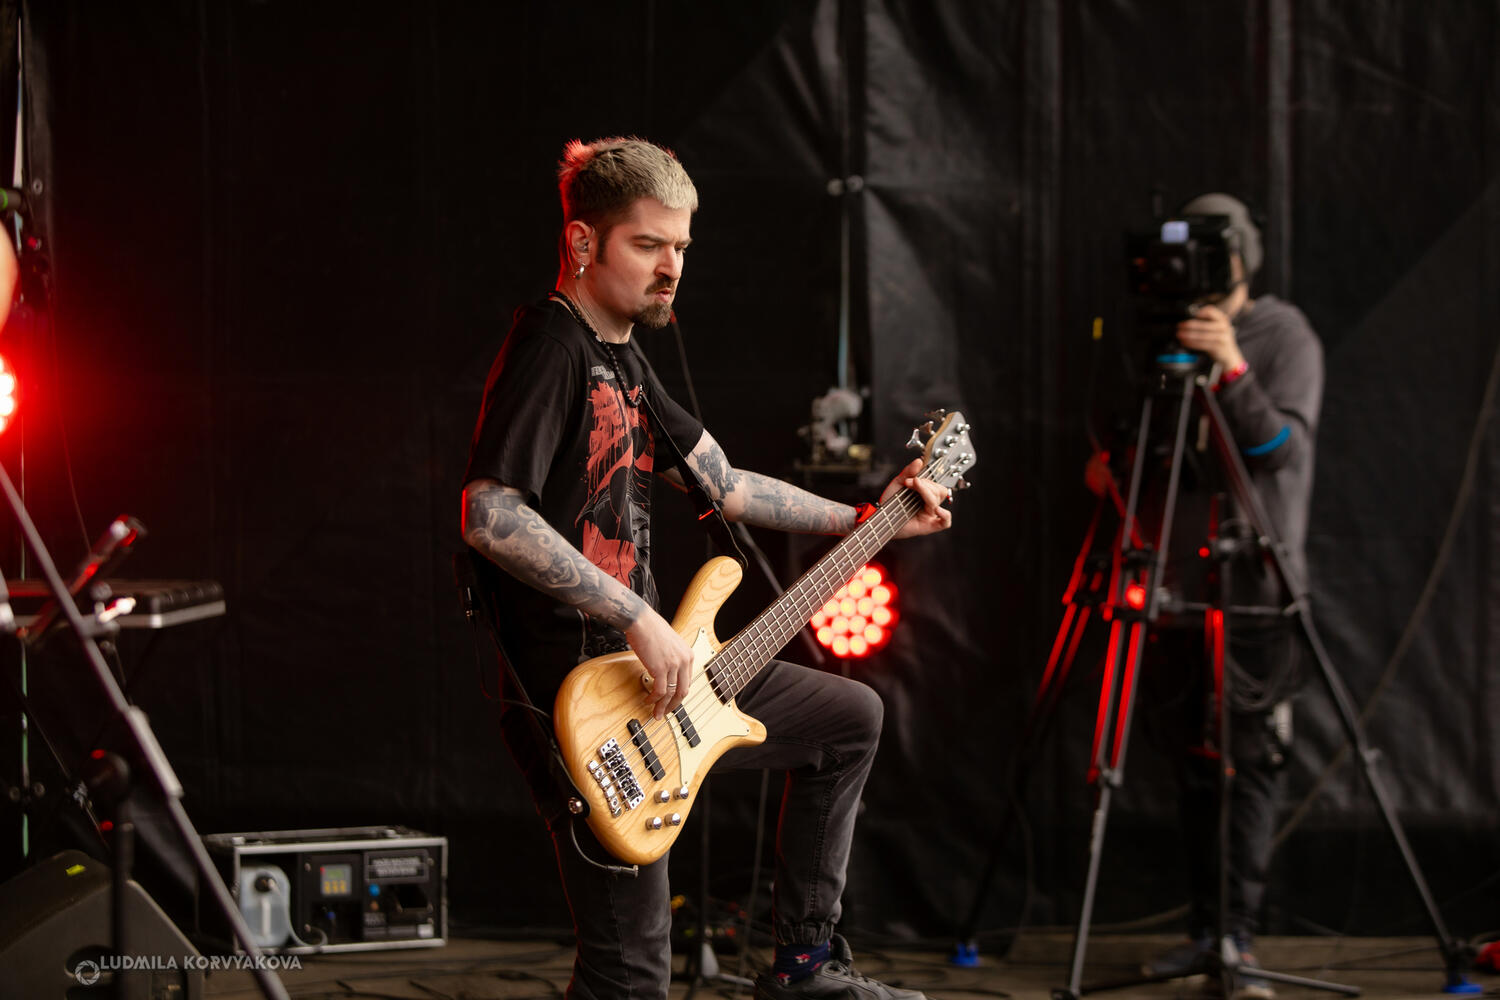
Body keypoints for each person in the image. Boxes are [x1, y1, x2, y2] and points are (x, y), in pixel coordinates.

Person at [461, 136, 951, 1000]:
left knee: (849, 720)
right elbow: (489, 514)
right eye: (649, 244)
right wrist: (636, 617)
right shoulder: (552, 346)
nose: (672, 269)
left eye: (682, 247)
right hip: (583, 699)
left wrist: (871, 519)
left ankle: (804, 968)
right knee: (630, 978)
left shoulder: (624, 358)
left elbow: (725, 485)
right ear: (583, 243)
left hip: (664, 675)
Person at [1135, 193, 1324, 998]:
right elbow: (1148, 450)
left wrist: (1233, 366)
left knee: (1249, 764)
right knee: (1190, 765)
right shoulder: (1165, 335)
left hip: (1255, 592)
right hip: (1177, 587)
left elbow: (1278, 448)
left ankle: (1237, 939)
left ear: (1242, 255)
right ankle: (1203, 932)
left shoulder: (1283, 334)